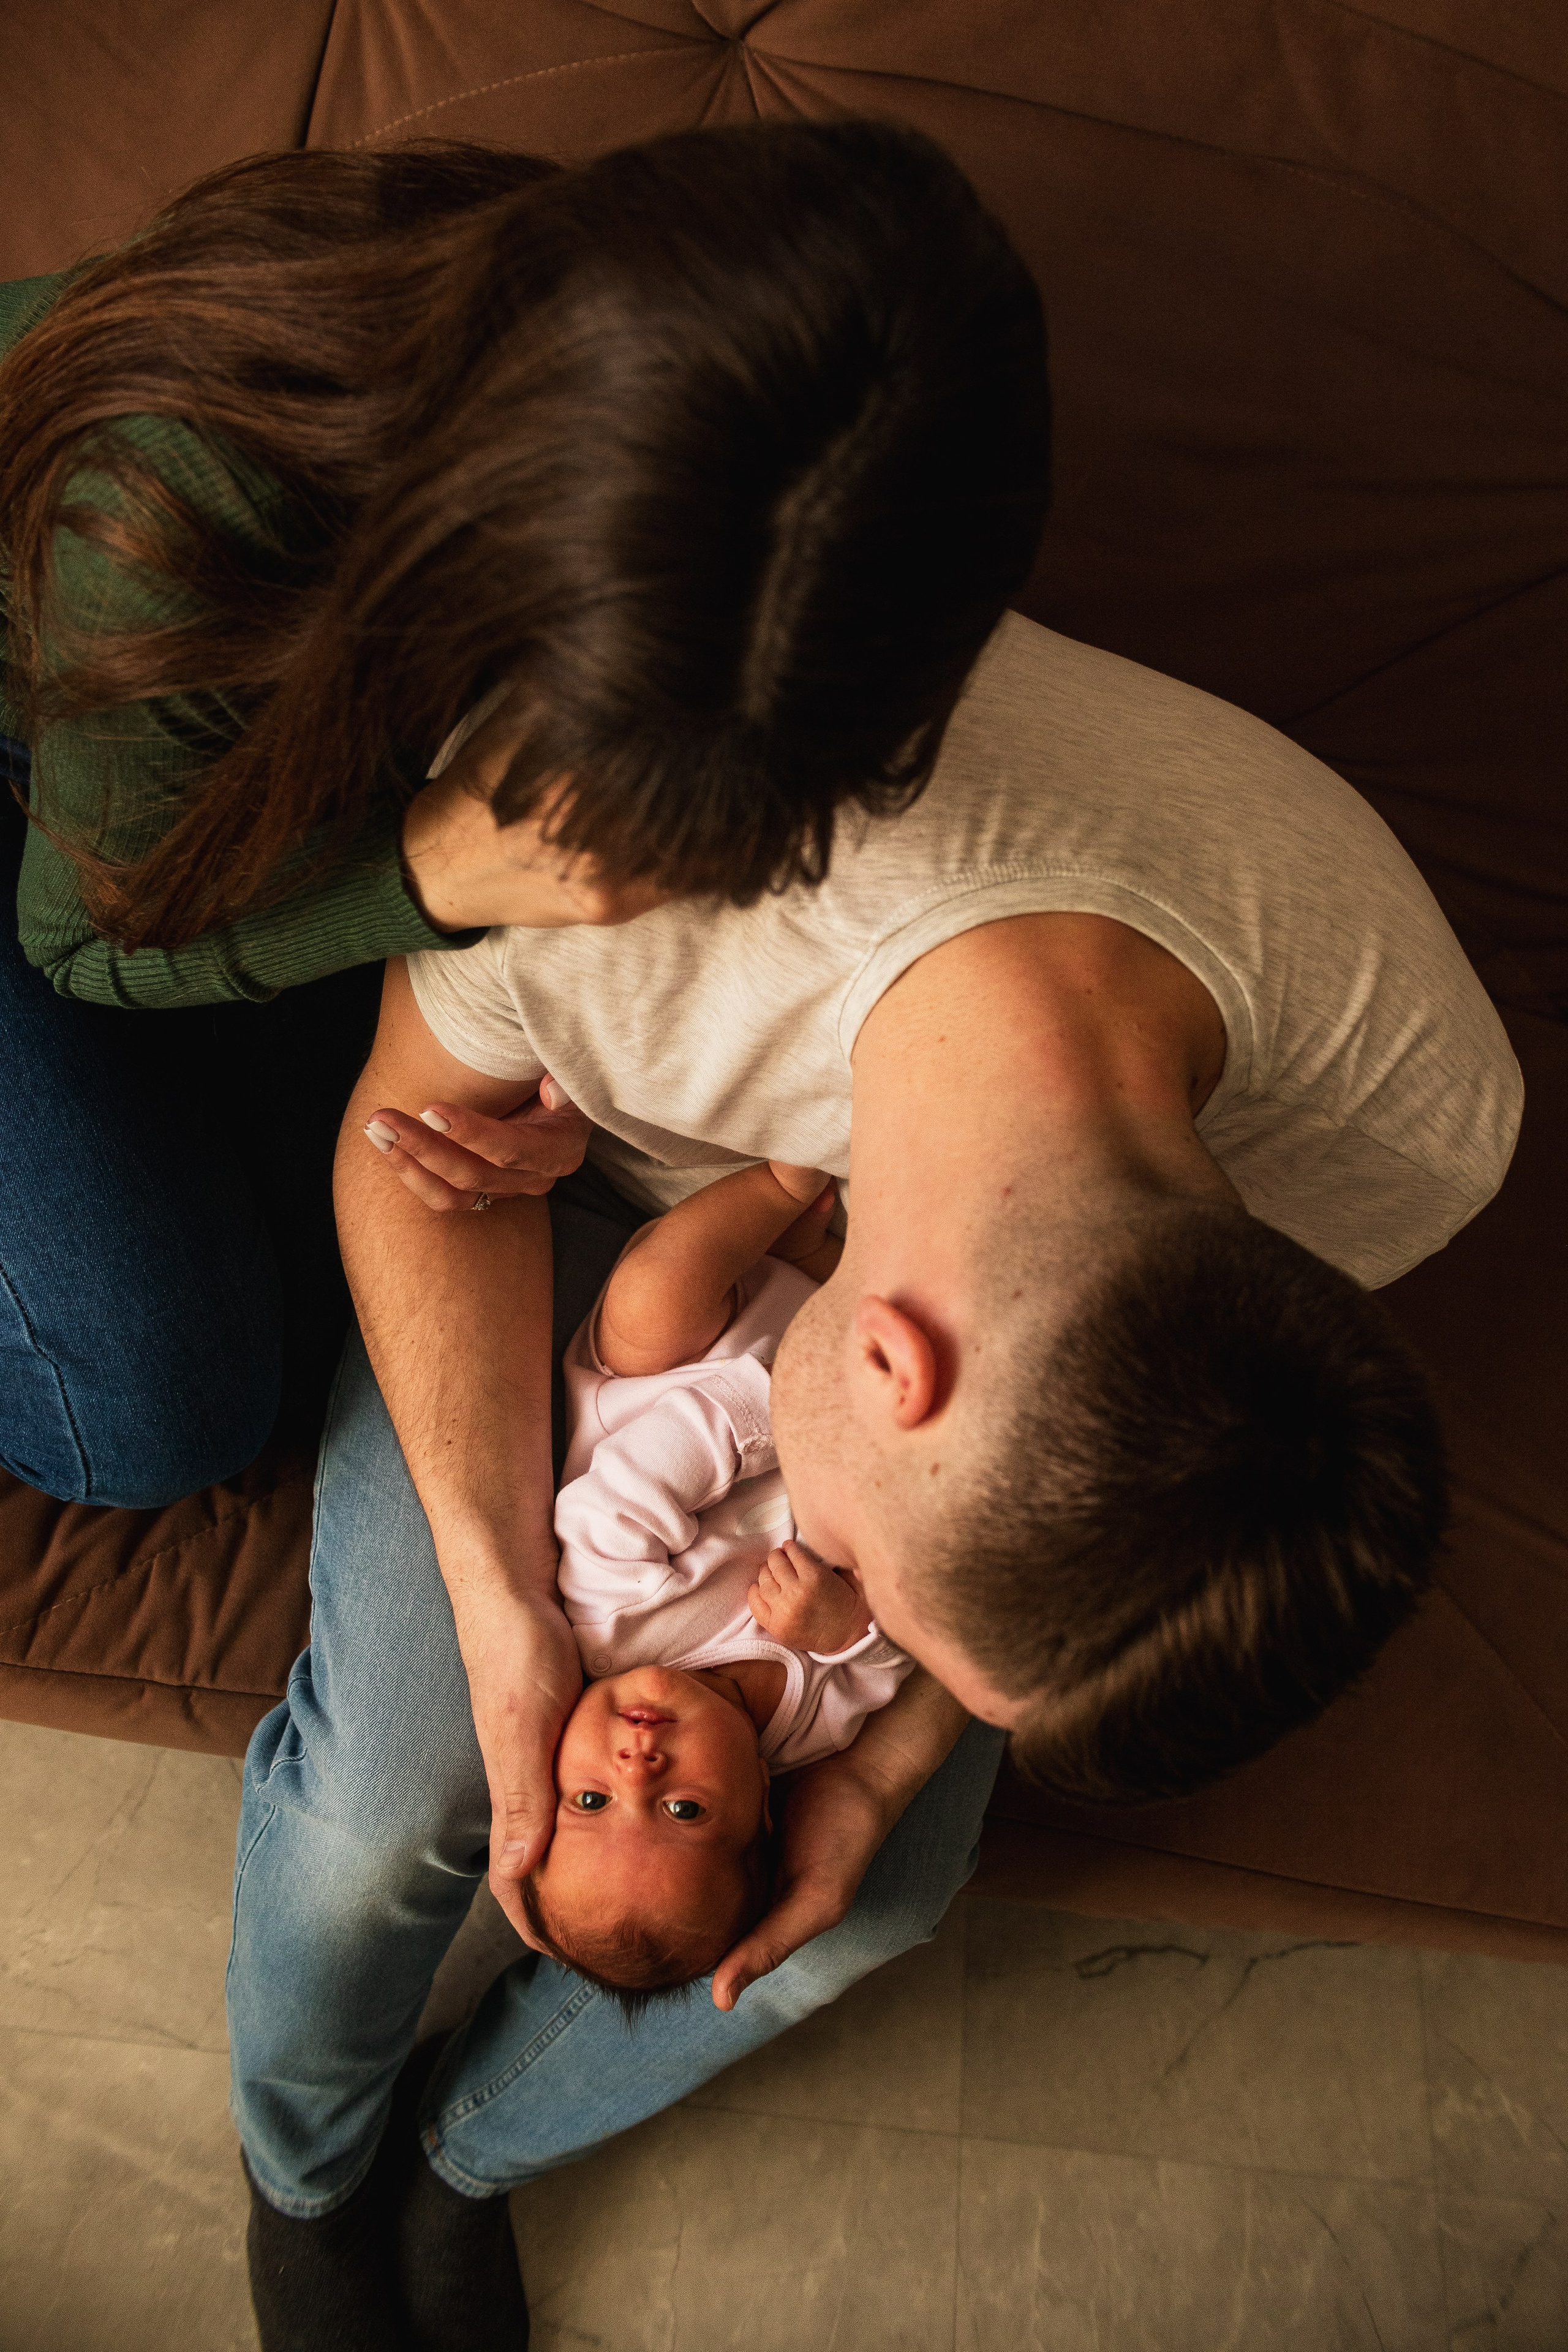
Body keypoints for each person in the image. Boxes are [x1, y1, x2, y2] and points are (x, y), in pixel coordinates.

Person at [227, 593, 1521, 2343]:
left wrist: (891, 1760)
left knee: (857, 1909)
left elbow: (1115, 1472)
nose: (834, 1601)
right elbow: (411, 1149)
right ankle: (302, 2166)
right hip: (596, 1227)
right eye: (878, 1576)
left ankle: (470, 2153)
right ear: (892, 1363)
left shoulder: (1417, 1123)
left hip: (842, 1264)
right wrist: (499, 1596)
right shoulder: (620, 856)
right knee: (388, 1811)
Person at [0, 115, 1048, 1506]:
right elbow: (91, 948)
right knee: (153, 1425)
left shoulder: (765, 388)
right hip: (82, 798)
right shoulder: (178, 502)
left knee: (374, 1271)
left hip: (206, 755)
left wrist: (549, 1049)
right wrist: (429, 880)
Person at [535, 1156, 911, 2002]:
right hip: (853, 1377)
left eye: (589, 1800)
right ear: (764, 1814)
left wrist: (802, 1407)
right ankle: (825, 1262)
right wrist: (849, 1629)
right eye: (683, 1812)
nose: (637, 1766)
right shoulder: (813, 1730)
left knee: (648, 1299)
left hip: (702, 1378)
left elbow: (636, 1483)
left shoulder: (611, 1631)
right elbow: (896, 1663)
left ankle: (778, 1192)